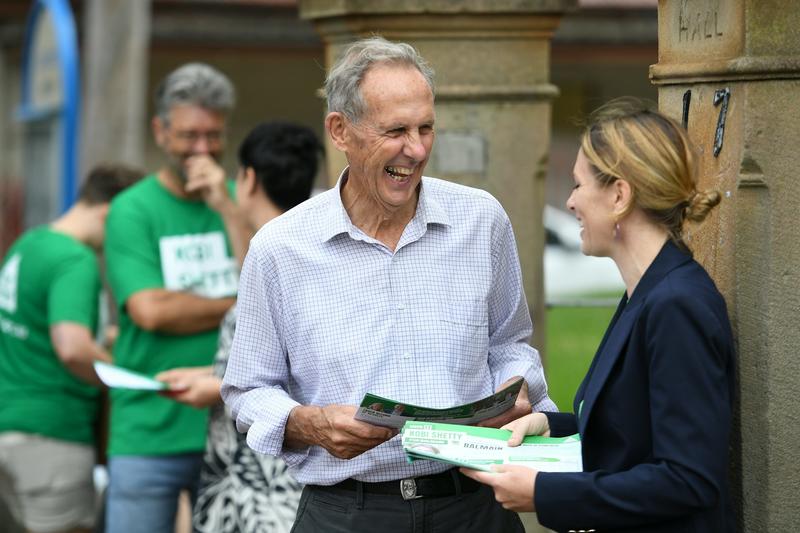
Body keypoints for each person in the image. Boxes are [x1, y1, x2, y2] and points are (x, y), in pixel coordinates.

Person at [222, 36, 555, 533]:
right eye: (396, 130)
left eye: (426, 128)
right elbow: (247, 391)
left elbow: (510, 344)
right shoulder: (281, 247)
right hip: (346, 513)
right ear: (340, 130)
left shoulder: (480, 220)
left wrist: (514, 388)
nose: (416, 150)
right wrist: (312, 424)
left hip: (474, 507)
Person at [462, 99, 737, 533]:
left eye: (577, 185)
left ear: (619, 195)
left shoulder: (676, 304)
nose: (569, 202)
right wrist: (551, 426)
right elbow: (633, 433)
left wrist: (546, 494)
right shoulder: (647, 293)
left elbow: (688, 479)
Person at [103, 63, 252, 533]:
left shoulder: (238, 201)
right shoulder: (132, 208)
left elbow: (271, 295)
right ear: (161, 132)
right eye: (189, 136)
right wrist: (237, 304)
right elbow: (151, 310)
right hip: (149, 429)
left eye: (213, 135)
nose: (202, 149)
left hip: (233, 428)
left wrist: (227, 209)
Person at [154, 121, 321, 533]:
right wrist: (206, 376)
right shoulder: (318, 247)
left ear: (247, 179)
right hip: (285, 475)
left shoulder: (276, 254)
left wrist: (210, 386)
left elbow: (280, 372)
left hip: (262, 486)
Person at [0, 164, 143, 533]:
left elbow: (34, 326)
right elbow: (73, 349)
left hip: (10, 427)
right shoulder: (74, 259)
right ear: (110, 212)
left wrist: (108, 337)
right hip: (52, 437)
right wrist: (132, 384)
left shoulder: (30, 243)